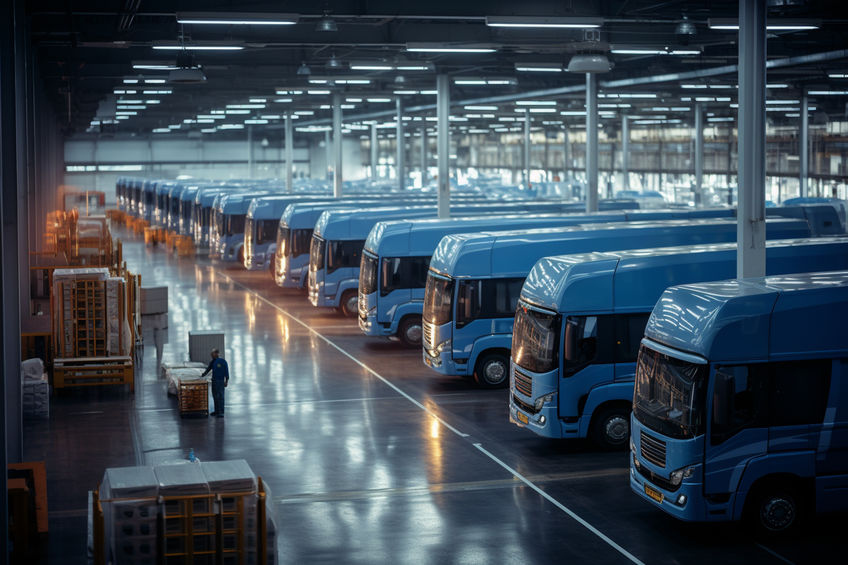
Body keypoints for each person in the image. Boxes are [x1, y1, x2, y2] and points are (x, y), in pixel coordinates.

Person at [201, 348, 229, 417]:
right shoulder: (213, 362)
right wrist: (202, 375)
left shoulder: (223, 361)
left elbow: (226, 372)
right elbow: (208, 369)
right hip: (214, 381)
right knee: (215, 396)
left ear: (217, 354)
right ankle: (217, 411)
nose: (211, 355)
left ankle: (221, 412)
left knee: (220, 396)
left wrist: (226, 381)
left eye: (212, 353)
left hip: (220, 381)